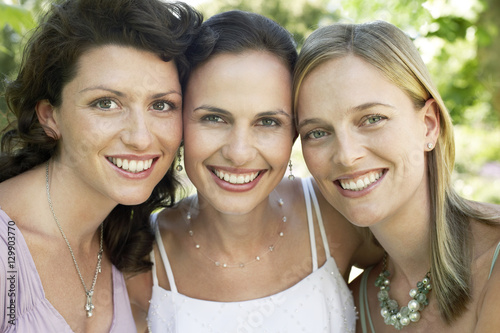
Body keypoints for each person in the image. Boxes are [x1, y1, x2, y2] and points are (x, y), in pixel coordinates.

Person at [127, 10, 381, 333]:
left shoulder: (337, 215)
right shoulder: (140, 258)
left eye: (267, 122)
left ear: (294, 133)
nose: (239, 153)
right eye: (214, 118)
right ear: (178, 124)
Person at [0, 0, 202, 331]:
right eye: (106, 103)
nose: (140, 138)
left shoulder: (128, 244)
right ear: (50, 116)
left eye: (162, 105)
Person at [293, 20, 500, 332]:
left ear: (429, 124)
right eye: (317, 132)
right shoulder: (351, 306)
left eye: (372, 119)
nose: (347, 156)